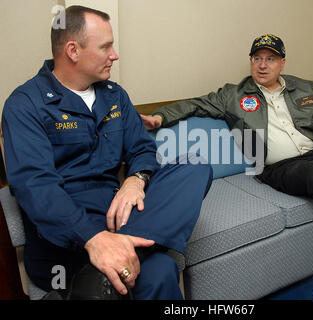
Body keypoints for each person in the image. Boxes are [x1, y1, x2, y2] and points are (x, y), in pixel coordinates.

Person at [2, 5, 212, 300]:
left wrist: (136, 179)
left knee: (196, 165)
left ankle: (107, 267)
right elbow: (35, 187)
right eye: (106, 47)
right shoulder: (25, 104)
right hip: (64, 245)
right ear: (73, 50)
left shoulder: (115, 95)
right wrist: (94, 238)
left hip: (118, 219)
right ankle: (96, 273)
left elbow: (142, 148)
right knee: (162, 268)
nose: (115, 55)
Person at [142, 34, 313, 228]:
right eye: (257, 58)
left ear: (282, 63)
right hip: (280, 168)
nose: (263, 65)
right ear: (251, 61)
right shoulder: (232, 95)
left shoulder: (305, 88)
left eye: (271, 59)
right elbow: (195, 105)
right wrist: (159, 117)